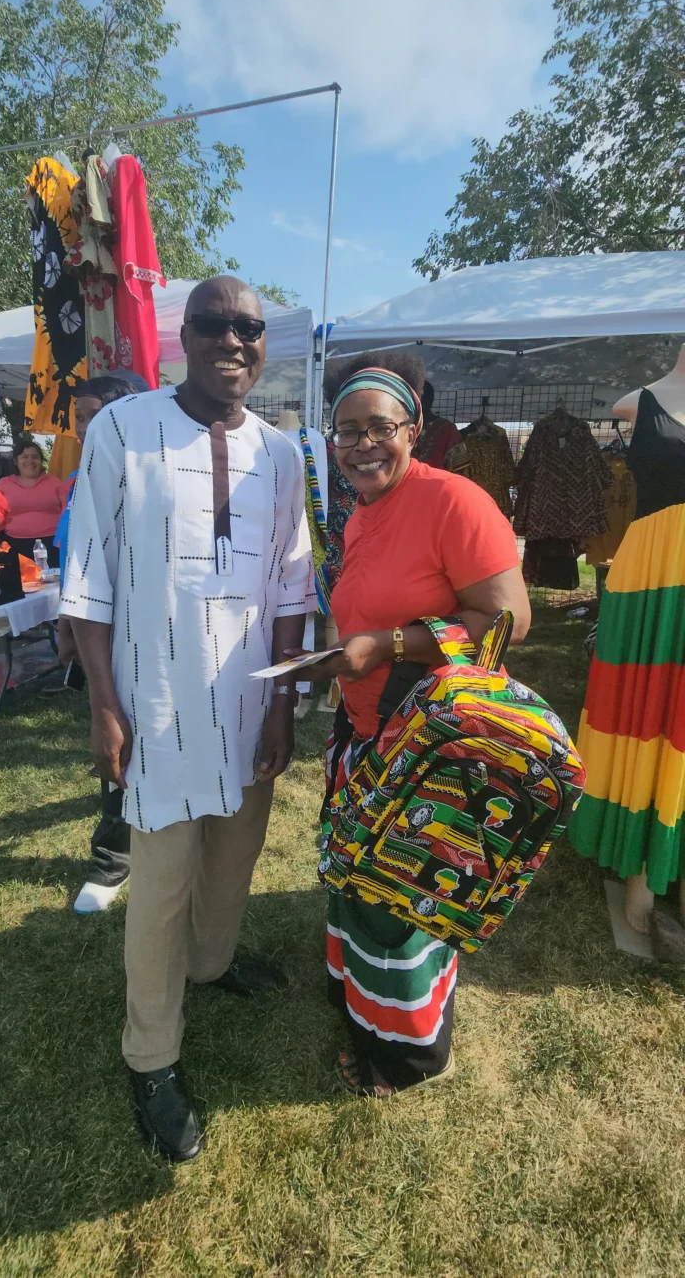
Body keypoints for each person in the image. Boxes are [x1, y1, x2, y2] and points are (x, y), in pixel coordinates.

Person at [61, 276, 316, 1161]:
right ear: (185, 336)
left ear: (263, 344)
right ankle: (152, 1056)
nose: (232, 341)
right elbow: (87, 580)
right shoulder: (120, 430)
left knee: (235, 859)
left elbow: (292, 584)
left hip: (249, 705)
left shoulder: (281, 454)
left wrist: (283, 702)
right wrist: (104, 704)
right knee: (161, 887)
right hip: (156, 705)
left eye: (248, 328)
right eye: (213, 325)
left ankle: (213, 965)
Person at [302, 352, 530, 1098]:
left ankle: (406, 1055)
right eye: (347, 432)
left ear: (414, 428)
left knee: (402, 899)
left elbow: (508, 620)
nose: (363, 445)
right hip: (367, 732)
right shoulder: (362, 513)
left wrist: (387, 646)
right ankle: (358, 1003)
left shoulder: (453, 500)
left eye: (380, 427)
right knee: (361, 878)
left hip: (428, 746)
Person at [56, 372, 149, 917]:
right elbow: (75, 558)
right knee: (112, 738)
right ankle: (113, 858)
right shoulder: (81, 479)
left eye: (95, 416)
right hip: (97, 632)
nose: (87, 428)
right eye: (81, 419)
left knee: (134, 740)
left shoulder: (148, 475)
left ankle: (125, 854)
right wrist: (67, 621)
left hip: (145, 634)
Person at [0, 438, 64, 568]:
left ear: (41, 460)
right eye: (24, 457)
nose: (30, 461)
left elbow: (67, 513)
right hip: (14, 544)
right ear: (16, 461)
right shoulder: (3, 484)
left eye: (35, 457)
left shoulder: (55, 482)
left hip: (53, 544)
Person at [413, 380, 469, 474]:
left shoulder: (448, 429)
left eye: (416, 398)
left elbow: (460, 466)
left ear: (427, 401)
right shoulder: (403, 427)